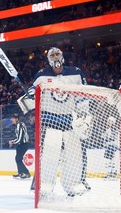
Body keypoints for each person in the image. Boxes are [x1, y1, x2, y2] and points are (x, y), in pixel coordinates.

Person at [18, 47, 91, 197]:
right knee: (49, 155)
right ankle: (45, 185)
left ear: (63, 56)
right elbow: (31, 97)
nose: (56, 57)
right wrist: (28, 98)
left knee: (74, 155)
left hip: (70, 120)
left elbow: (83, 95)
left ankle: (73, 185)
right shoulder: (41, 75)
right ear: (48, 59)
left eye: (58, 54)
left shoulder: (76, 72)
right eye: (52, 55)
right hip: (49, 120)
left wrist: (83, 117)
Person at [8, 113, 31, 179]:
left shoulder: (20, 125)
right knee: (18, 158)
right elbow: (18, 138)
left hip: (23, 145)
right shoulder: (18, 125)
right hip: (20, 144)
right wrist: (13, 141)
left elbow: (20, 139)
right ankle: (20, 173)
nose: (11, 120)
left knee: (18, 158)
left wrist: (12, 142)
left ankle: (26, 173)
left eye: (12, 118)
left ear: (16, 119)